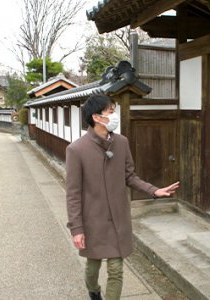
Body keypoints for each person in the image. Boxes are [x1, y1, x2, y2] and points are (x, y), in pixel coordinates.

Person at [66, 95, 179, 300]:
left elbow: (130, 176)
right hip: (93, 221)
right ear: (96, 117)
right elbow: (73, 193)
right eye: (110, 111)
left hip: (118, 218)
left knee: (116, 269)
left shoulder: (121, 142)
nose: (114, 115)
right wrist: (77, 228)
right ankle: (93, 291)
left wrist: (154, 190)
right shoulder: (76, 149)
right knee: (92, 268)